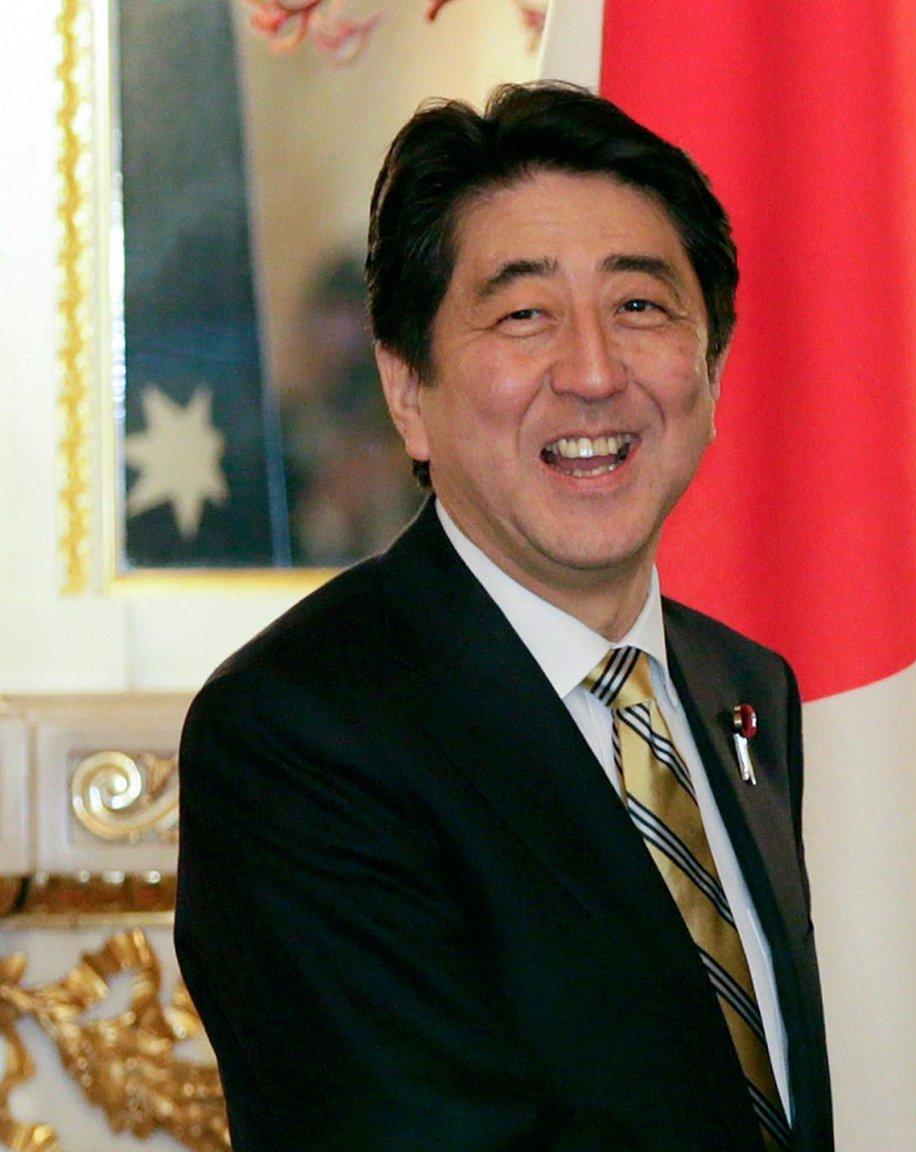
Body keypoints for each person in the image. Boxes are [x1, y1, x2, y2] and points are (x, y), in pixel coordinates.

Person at [174, 83, 831, 1152]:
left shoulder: (738, 691)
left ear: (710, 368)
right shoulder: (298, 729)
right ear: (405, 392)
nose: (591, 372)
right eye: (523, 315)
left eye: (639, 306)